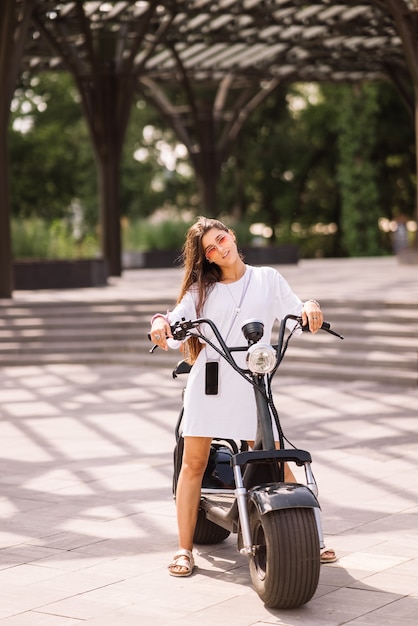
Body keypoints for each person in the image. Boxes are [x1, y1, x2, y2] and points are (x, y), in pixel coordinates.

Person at [150, 216, 336, 576]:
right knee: (193, 463)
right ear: (207, 257)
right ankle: (184, 549)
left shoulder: (268, 279)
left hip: (253, 378)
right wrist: (160, 322)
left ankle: (311, 536)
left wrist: (310, 307)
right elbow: (172, 321)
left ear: (232, 236)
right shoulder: (199, 292)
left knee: (273, 455)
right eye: (211, 249)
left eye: (222, 239)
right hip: (210, 381)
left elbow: (296, 309)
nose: (221, 248)